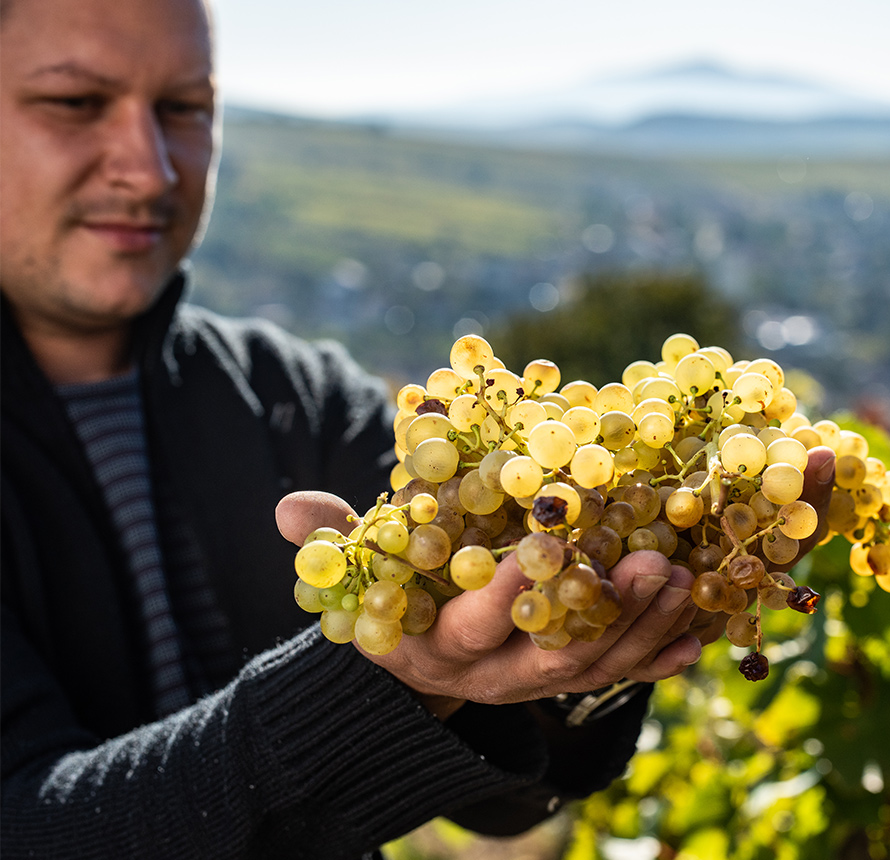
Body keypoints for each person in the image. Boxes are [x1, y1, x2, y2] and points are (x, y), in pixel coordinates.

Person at [0, 0, 835, 856]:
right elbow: (28, 829)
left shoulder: (302, 395)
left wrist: (575, 653)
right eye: (74, 103)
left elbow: (508, 801)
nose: (148, 169)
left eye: (183, 107)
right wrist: (385, 689)